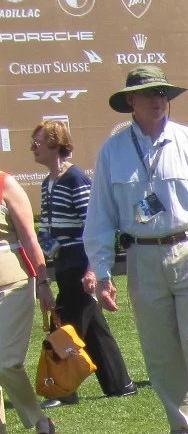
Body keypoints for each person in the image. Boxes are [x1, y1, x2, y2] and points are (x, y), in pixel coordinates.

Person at [83, 67, 188, 434]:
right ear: (130, 102)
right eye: (148, 93)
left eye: (162, 92)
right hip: (141, 255)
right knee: (160, 351)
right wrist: (100, 272)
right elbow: (99, 215)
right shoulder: (112, 151)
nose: (157, 99)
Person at [32, 120, 134, 401]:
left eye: (38, 142)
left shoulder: (76, 178)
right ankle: (120, 384)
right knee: (93, 328)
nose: (33, 148)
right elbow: (47, 229)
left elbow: (94, 224)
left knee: (64, 326)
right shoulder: (47, 183)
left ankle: (63, 388)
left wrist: (93, 268)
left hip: (80, 264)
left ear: (55, 144)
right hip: (63, 264)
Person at [0, 168, 54, 434]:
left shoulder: (6, 184)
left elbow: (30, 239)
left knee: (6, 363)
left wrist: (44, 282)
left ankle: (42, 421)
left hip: (15, 283)